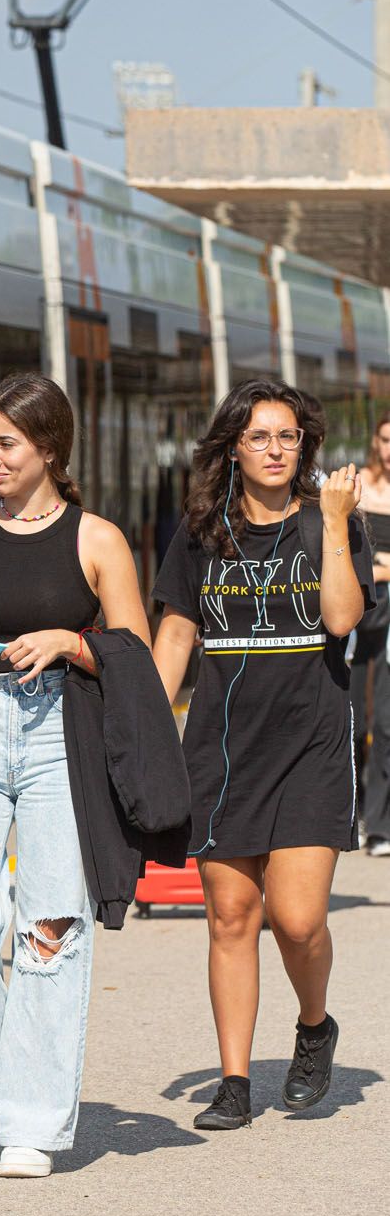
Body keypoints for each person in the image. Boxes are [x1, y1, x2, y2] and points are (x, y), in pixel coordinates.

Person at [0, 374, 150, 1178]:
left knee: (51, 928)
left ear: (48, 448)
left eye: (6, 443)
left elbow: (137, 656)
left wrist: (71, 643)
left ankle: (33, 1123)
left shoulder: (97, 539)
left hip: (58, 736)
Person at [152, 381, 373, 1132]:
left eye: (288, 437)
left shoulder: (327, 522)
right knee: (230, 914)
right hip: (220, 744)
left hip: (310, 741)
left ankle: (313, 1027)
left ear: (304, 447)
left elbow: (341, 618)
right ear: (232, 449)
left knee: (298, 918)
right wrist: (149, 727)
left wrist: (338, 525)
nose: (275, 450)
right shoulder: (199, 532)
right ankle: (234, 1081)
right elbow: (177, 634)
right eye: (259, 437)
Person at [353, 409, 390, 856]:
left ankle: (379, 824)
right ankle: (354, 813)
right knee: (350, 721)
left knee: (384, 722)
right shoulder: (357, 485)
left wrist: (378, 567)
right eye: (385, 439)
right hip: (356, 608)